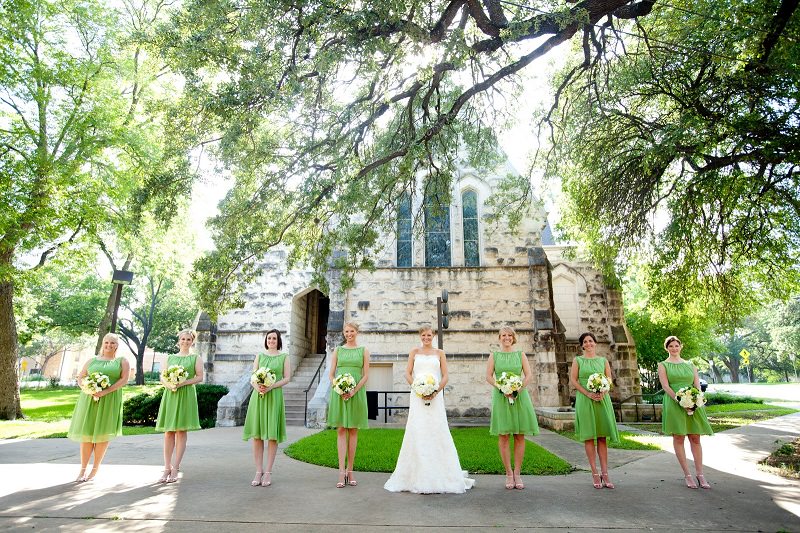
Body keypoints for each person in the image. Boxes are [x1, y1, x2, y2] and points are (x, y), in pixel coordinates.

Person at [384, 326, 474, 494]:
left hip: (436, 396)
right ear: (420, 336)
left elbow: (445, 375)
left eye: (429, 335)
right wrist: (417, 388)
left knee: (436, 429)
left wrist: (436, 390)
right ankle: (416, 475)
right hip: (417, 396)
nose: (426, 337)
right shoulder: (414, 352)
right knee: (418, 430)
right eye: (423, 335)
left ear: (433, 336)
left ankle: (442, 473)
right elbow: (407, 373)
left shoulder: (440, 353)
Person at [67, 333, 130, 482]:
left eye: (113, 343)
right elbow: (81, 377)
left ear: (117, 346)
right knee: (86, 434)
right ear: (103, 343)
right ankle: (82, 470)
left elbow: (124, 379)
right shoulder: (92, 360)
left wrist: (105, 391)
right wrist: (88, 388)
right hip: (88, 400)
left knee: (102, 435)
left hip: (109, 400)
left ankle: (94, 469)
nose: (109, 345)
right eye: (107, 342)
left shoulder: (122, 361)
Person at [486, 326, 540, 490]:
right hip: (501, 397)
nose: (506, 338)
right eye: (503, 335)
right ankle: (508, 473)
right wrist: (503, 388)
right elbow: (488, 376)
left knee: (519, 436)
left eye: (509, 335)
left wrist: (517, 388)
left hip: (519, 397)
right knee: (503, 436)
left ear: (513, 338)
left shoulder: (520, 354)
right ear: (499, 337)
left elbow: (529, 375)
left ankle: (517, 473)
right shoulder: (494, 355)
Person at [658, 335, 713, 489]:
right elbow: (665, 386)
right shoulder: (663, 365)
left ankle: (700, 474)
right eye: (671, 346)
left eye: (676, 345)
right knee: (679, 437)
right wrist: (680, 400)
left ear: (681, 347)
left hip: (693, 404)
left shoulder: (691, 365)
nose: (674, 348)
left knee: (695, 437)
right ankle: (687, 475)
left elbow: (697, 385)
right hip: (674, 402)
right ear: (667, 348)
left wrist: (694, 402)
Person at [570, 331, 620, 489]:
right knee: (589, 437)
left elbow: (609, 379)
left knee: (602, 437)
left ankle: (605, 473)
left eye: (591, 341)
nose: (588, 344)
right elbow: (574, 380)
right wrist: (588, 393)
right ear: (582, 345)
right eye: (585, 342)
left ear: (595, 343)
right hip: (585, 400)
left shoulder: (603, 360)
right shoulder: (578, 360)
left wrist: (603, 392)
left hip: (602, 400)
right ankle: (594, 472)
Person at [242, 329, 291, 487]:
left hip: (274, 396)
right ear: (266, 340)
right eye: (269, 338)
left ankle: (268, 471)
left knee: (272, 435)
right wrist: (258, 388)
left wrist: (271, 387)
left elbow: (287, 378)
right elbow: (253, 376)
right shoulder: (260, 356)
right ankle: (258, 471)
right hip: (259, 396)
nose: (271, 340)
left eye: (274, 338)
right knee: (257, 435)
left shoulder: (284, 357)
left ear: (278, 341)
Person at [155, 329, 204, 483]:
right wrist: (169, 385)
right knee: (168, 432)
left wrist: (183, 382)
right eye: (183, 339)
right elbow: (162, 376)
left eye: (188, 339)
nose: (185, 342)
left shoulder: (195, 358)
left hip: (186, 395)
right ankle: (167, 467)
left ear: (192, 342)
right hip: (171, 394)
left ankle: (176, 467)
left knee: (181, 431)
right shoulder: (170, 358)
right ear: (179, 340)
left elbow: (199, 377)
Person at [327, 322, 370, 488]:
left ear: (357, 332)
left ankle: (350, 470)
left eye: (352, 331)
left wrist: (354, 391)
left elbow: (366, 375)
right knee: (340, 430)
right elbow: (331, 374)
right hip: (339, 393)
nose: (349, 334)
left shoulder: (363, 351)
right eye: (346, 331)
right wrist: (338, 387)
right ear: (344, 333)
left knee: (353, 430)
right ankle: (340, 471)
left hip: (356, 393)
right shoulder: (338, 350)